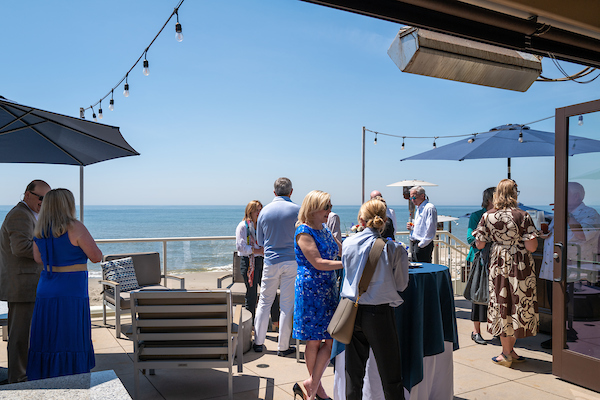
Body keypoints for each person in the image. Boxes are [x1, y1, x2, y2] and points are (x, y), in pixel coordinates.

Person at [26, 188, 102, 380]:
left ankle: (46, 377)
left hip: (46, 287)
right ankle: (71, 377)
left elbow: (37, 258)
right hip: (71, 288)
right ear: (68, 204)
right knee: (70, 335)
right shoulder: (75, 227)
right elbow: (96, 256)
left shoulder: (40, 229)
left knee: (48, 336)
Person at [341, 199, 409, 400]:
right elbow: (401, 285)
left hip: (352, 311)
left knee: (353, 375)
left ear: (361, 220)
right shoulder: (394, 249)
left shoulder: (348, 243)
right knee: (391, 377)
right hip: (379, 313)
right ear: (385, 220)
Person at [474, 179, 538, 367]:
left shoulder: (487, 216)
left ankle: (507, 352)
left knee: (502, 303)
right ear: (515, 193)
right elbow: (532, 247)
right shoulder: (523, 215)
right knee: (518, 302)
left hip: (498, 262)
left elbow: (479, 244)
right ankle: (508, 351)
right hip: (520, 264)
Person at [292, 190, 342, 400]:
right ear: (313, 208)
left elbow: (341, 250)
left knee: (331, 339)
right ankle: (317, 390)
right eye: (326, 207)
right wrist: (347, 263)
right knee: (314, 341)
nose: (330, 211)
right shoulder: (304, 232)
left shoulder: (323, 229)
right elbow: (318, 263)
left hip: (328, 289)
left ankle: (310, 386)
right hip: (311, 292)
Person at [0, 179, 51, 383]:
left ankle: (24, 376)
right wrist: (51, 252)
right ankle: (17, 381)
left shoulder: (31, 213)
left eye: (48, 198)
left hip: (29, 284)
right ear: (27, 194)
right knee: (20, 337)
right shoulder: (20, 214)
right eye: (41, 197)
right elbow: (20, 248)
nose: (44, 201)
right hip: (23, 285)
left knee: (27, 335)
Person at [539, 182, 600, 349]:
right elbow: (554, 236)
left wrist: (566, 215)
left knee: (568, 307)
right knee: (556, 305)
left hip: (574, 272)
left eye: (563, 194)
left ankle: (568, 338)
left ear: (576, 197)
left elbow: (582, 235)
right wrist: (545, 235)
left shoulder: (590, 214)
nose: (559, 198)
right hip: (554, 269)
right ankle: (560, 336)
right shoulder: (561, 214)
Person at [254, 177, 301, 356]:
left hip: (271, 261)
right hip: (291, 260)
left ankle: (258, 342)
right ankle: (283, 346)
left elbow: (259, 241)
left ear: (274, 192)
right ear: (291, 191)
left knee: (265, 301)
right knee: (287, 305)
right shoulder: (298, 210)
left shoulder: (264, 212)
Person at [235, 200, 279, 329]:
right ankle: (251, 325)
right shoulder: (243, 226)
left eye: (261, 209)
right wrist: (257, 250)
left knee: (271, 291)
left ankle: (276, 322)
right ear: (250, 211)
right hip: (249, 263)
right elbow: (240, 246)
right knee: (251, 294)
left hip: (262, 261)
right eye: (257, 210)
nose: (260, 212)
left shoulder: (261, 226)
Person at [466, 186, 495, 345]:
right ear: (490, 199)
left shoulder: (500, 216)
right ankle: (476, 331)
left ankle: (496, 329)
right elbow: (470, 239)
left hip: (496, 260)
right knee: (478, 296)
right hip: (480, 259)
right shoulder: (477, 216)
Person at [406, 186, 437, 263]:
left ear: (422, 196)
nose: (412, 200)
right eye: (411, 198)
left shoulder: (429, 208)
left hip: (422, 245)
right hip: (415, 243)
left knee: (423, 269)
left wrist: (421, 245)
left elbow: (431, 228)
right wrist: (413, 227)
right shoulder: (419, 208)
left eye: (414, 198)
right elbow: (422, 226)